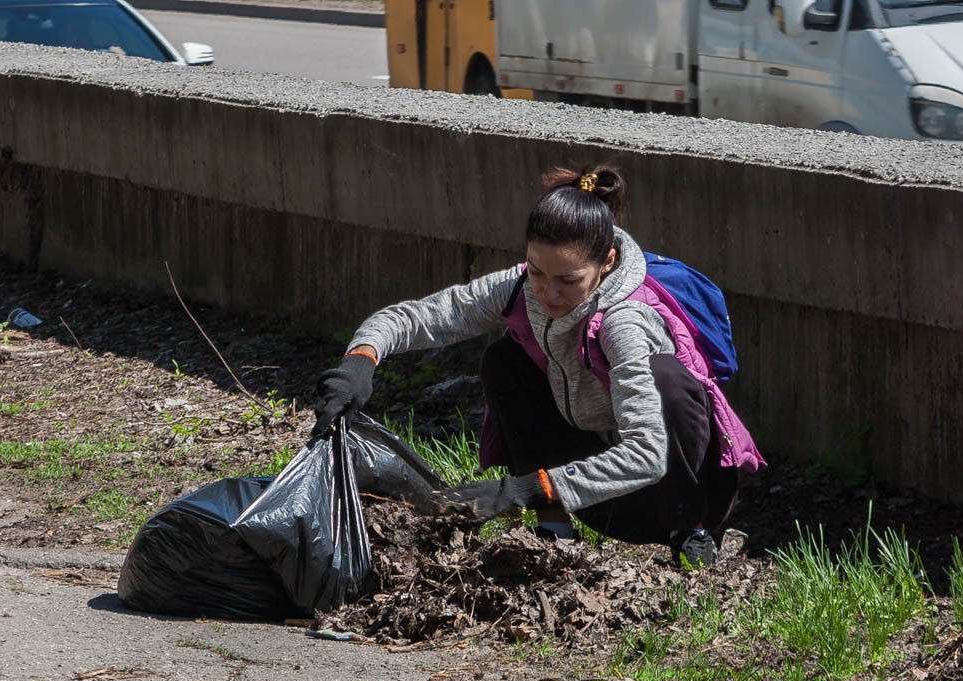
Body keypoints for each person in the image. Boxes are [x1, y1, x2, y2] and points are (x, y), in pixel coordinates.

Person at [312, 165, 763, 566]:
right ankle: (555, 529)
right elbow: (415, 317)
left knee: (666, 380)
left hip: (670, 488)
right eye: (537, 271)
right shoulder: (519, 287)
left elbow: (647, 454)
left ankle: (691, 534)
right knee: (504, 359)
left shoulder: (625, 321)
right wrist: (359, 364)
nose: (548, 294)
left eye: (567, 280)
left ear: (606, 263)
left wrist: (520, 490)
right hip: (594, 490)